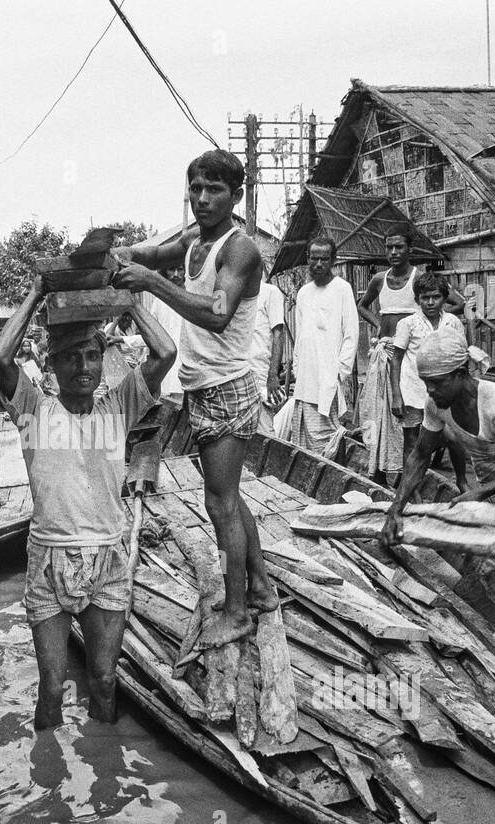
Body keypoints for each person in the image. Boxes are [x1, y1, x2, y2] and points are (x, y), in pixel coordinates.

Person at [110, 148, 277, 647]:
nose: (202, 199)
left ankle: (239, 610)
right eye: (196, 189)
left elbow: (216, 312)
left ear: (236, 196)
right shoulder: (191, 240)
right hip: (203, 388)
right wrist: (119, 256)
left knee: (219, 504)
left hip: (228, 390)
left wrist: (153, 283)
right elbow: (146, 254)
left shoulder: (239, 250)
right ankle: (262, 587)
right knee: (229, 496)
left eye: (215, 190)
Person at [0, 276, 176, 728]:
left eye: (93, 355)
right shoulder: (35, 409)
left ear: (104, 360)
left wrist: (129, 302)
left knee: (104, 679)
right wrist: (37, 292)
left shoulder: (119, 406)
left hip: (108, 555)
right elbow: (0, 356)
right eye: (71, 356)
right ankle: (50, 783)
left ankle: (105, 775)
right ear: (51, 364)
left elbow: (166, 353)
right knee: (52, 688)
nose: (84, 366)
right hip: (49, 557)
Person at [382, 327, 495, 583]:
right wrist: (395, 510)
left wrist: (479, 493)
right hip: (494, 487)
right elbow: (419, 456)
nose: (430, 391)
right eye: (426, 383)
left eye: (437, 383)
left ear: (461, 374)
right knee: (493, 569)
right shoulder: (435, 404)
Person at [283, 237, 359, 455]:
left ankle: (334, 477)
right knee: (304, 435)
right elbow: (300, 336)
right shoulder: (304, 293)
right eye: (314, 258)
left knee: (330, 436)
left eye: (324, 259)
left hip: (329, 376)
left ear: (333, 260)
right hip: (305, 377)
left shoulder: (342, 289)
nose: (318, 264)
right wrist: (297, 368)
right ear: (308, 258)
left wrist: (339, 373)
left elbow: (351, 335)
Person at [390, 272, 466, 465]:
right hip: (413, 390)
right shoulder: (408, 324)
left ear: (444, 298)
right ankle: (411, 489)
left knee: (453, 438)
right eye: (425, 298)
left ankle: (461, 481)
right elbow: (396, 360)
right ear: (417, 299)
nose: (430, 302)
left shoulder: (453, 322)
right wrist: (397, 395)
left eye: (436, 297)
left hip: (443, 393)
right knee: (412, 441)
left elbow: (461, 358)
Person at [250, 271, 288, 435]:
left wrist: (273, 374)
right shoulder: (229, 294)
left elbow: (278, 334)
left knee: (264, 429)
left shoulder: (270, 292)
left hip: (260, 373)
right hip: (235, 372)